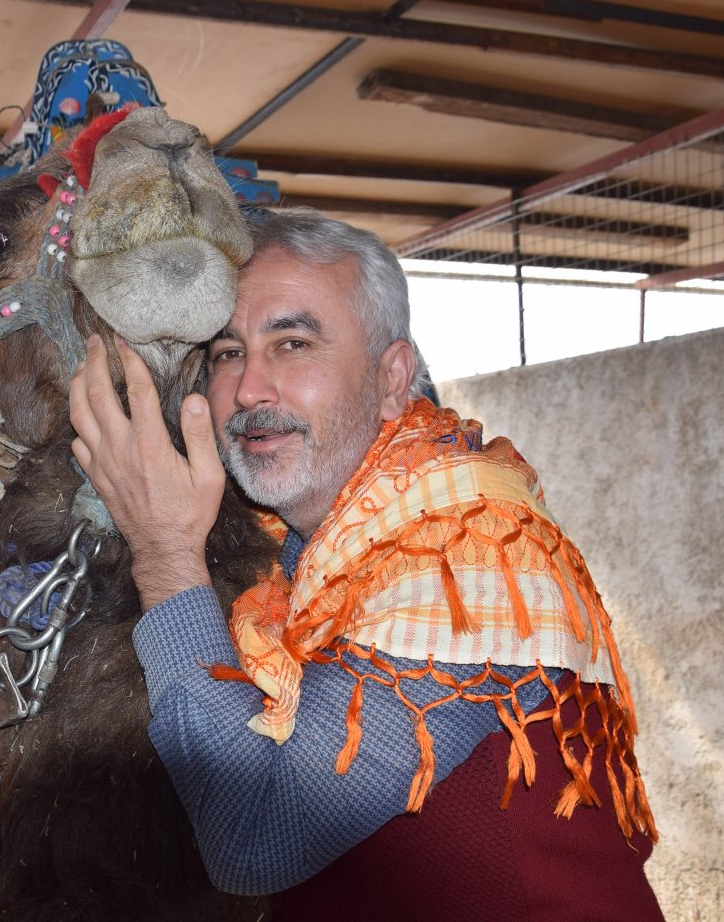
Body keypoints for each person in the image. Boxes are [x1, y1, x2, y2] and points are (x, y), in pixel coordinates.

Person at [68, 209, 664, 921]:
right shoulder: (306, 551)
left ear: (392, 380)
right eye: (229, 352)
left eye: (293, 342)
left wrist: (164, 553)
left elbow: (252, 837)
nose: (251, 388)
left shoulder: (467, 551)